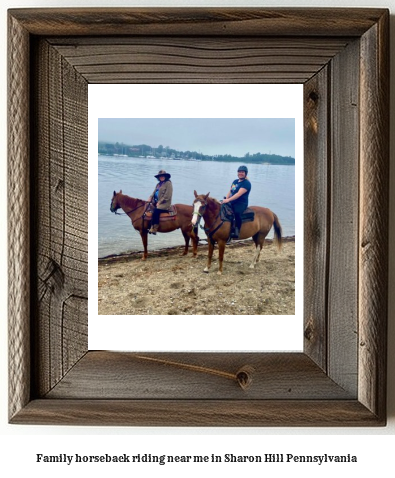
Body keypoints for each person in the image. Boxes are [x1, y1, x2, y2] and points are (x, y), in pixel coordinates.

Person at [222, 165, 251, 239]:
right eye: (239, 172)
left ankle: (237, 230)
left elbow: (238, 194)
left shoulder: (246, 183)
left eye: (242, 172)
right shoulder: (235, 181)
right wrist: (225, 199)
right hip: (232, 201)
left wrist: (228, 200)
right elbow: (230, 191)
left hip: (241, 203)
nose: (241, 173)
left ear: (245, 173)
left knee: (237, 213)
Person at [147, 170, 173, 234]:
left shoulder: (168, 183)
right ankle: (150, 226)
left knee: (156, 211)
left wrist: (160, 202)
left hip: (165, 203)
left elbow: (167, 196)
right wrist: (150, 198)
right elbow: (154, 192)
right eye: (160, 176)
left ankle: (155, 228)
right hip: (156, 202)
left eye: (162, 176)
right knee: (147, 208)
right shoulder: (158, 184)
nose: (161, 177)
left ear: (165, 176)